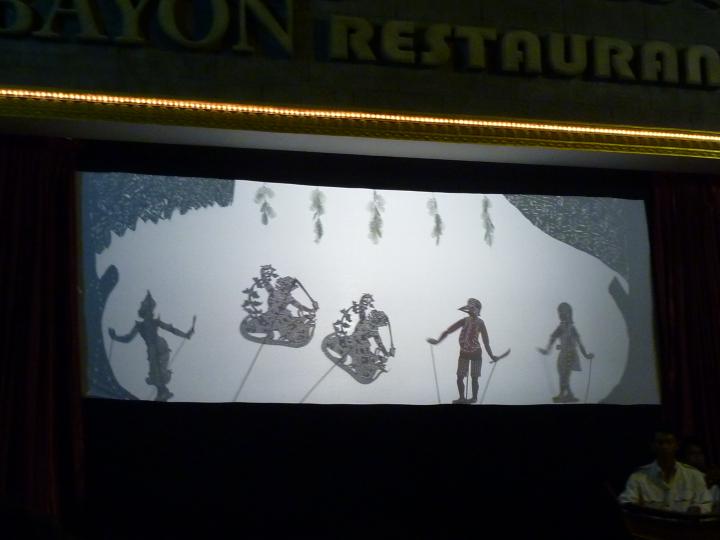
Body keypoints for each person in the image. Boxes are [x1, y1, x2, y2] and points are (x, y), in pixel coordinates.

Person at [109, 291, 195, 402]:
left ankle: (163, 393)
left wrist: (186, 335)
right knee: (155, 374)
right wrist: (115, 337)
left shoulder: (152, 323)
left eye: (143, 305)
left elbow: (171, 329)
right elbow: (128, 338)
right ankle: (162, 394)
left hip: (158, 347)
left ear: (148, 308)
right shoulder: (140, 325)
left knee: (156, 373)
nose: (142, 306)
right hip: (153, 349)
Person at [427, 298, 508, 404]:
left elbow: (486, 341)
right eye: (470, 308)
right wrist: (438, 341)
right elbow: (448, 331)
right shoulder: (464, 320)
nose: (471, 311)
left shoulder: (480, 323)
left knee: (474, 377)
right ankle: (462, 397)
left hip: (476, 353)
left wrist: (491, 355)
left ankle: (474, 398)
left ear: (477, 310)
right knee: (460, 377)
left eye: (473, 308)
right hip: (464, 352)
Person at [619, 429, 714, 513]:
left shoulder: (693, 475)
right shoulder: (638, 477)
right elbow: (626, 502)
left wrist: (698, 509)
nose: (664, 447)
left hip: (685, 526)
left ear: (676, 445)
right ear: (653, 446)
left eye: (669, 442)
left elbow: (706, 502)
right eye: (660, 443)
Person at [537, 302, 594, 403]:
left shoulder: (571, 328)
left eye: (563, 312)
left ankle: (562, 395)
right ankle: (569, 395)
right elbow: (553, 337)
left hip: (570, 354)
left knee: (564, 375)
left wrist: (586, 355)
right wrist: (547, 350)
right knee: (562, 374)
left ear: (569, 313)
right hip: (563, 354)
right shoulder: (562, 327)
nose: (561, 314)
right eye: (560, 312)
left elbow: (579, 342)